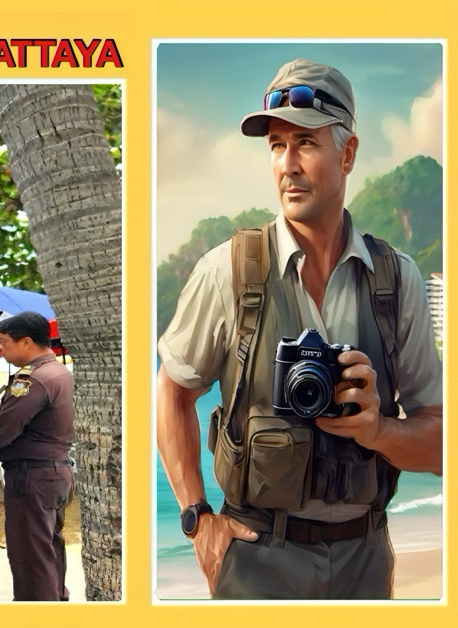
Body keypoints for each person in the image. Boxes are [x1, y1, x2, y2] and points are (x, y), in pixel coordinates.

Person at [156, 58, 443, 599]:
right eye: (276, 145)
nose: (287, 164)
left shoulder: (397, 279)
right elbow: (171, 390)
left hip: (365, 559)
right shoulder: (228, 270)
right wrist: (197, 519)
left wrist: (380, 430)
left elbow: (439, 442)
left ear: (348, 153)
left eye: (305, 143)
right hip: (256, 557)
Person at [0, 311, 74, 602]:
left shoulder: (32, 379)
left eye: (4, 342)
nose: (0, 350)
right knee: (48, 547)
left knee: (30, 555)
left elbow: (8, 425)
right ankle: (56, 599)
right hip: (55, 471)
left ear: (27, 342)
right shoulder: (60, 372)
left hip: (32, 474)